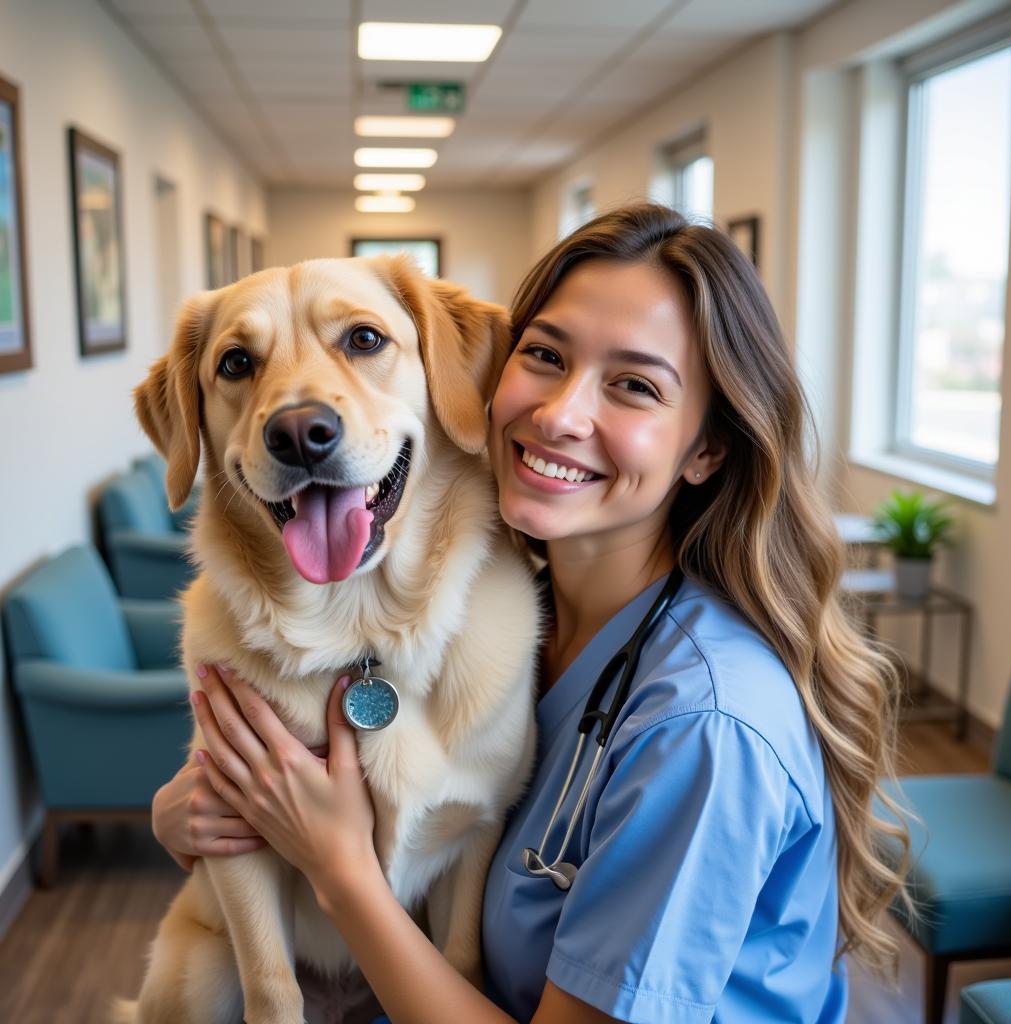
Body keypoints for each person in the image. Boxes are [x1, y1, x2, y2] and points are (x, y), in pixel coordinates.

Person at [151, 204, 911, 1023]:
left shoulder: (704, 726)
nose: (558, 415)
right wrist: (190, 814)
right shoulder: (519, 604)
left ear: (707, 448)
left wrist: (338, 870)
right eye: (545, 356)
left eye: (635, 386)